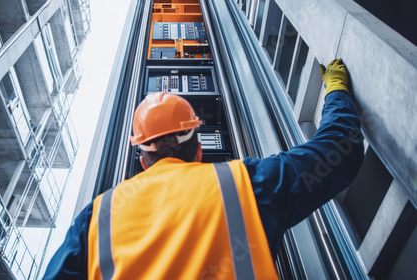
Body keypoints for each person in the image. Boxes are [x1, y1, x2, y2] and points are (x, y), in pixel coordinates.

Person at [43, 59, 364, 279]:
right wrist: (335, 89)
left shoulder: (98, 218)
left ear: (142, 160)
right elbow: (340, 149)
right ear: (198, 149)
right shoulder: (242, 184)